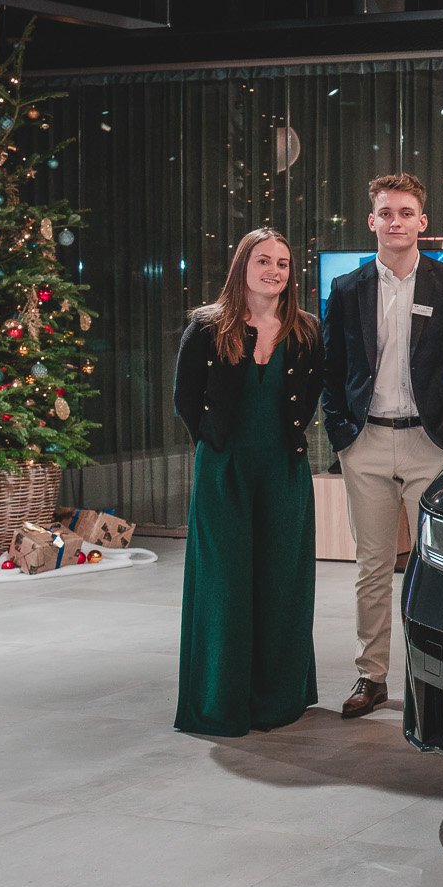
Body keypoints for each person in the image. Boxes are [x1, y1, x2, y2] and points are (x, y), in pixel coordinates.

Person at [321, 173, 443, 719]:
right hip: (365, 443)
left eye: (406, 212)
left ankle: (435, 678)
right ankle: (371, 677)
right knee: (372, 567)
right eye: (386, 213)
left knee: (440, 567)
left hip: (430, 444)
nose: (396, 221)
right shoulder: (347, 289)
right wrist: (341, 434)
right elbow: (332, 369)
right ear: (372, 221)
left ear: (422, 222)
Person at [172, 227, 322, 736]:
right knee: (225, 587)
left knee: (282, 585)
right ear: (243, 266)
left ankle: (276, 701)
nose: (273, 271)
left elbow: (311, 395)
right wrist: (217, 447)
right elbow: (186, 400)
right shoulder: (206, 327)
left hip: (284, 471)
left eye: (282, 263)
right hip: (224, 471)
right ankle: (221, 702)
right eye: (263, 260)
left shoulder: (305, 330)